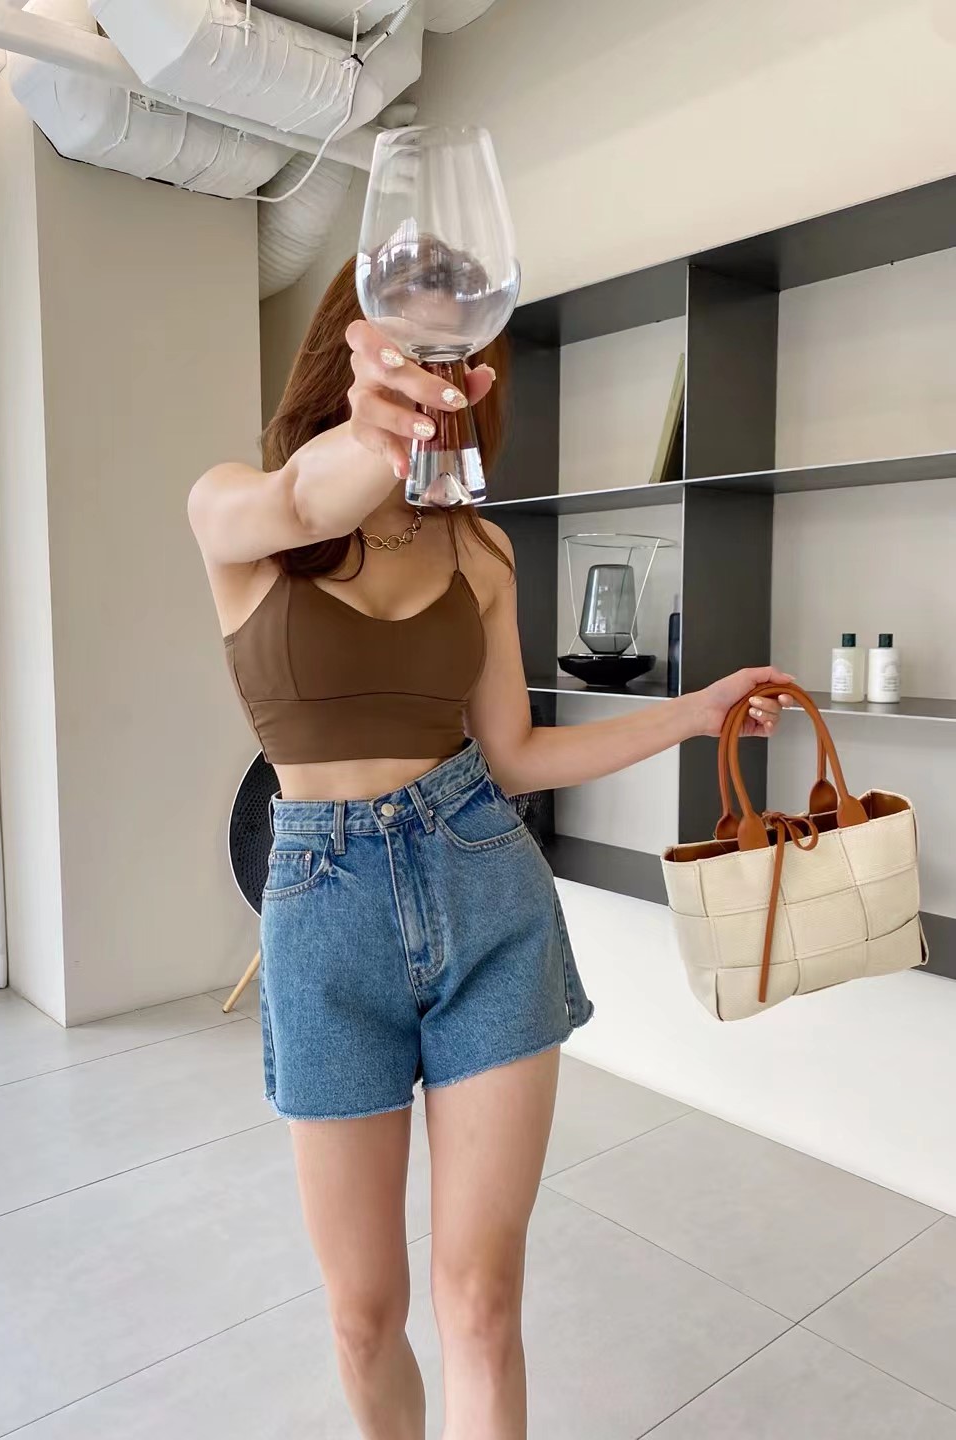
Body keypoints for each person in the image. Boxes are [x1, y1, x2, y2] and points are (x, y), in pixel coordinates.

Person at [188, 258, 791, 1440]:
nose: (440, 381)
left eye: (460, 360)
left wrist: (692, 712)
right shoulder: (236, 509)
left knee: (480, 1300)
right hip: (322, 910)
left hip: (482, 887)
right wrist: (375, 431)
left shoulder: (481, 552)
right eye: (414, 352)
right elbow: (306, 502)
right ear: (351, 352)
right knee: (363, 1317)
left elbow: (512, 754)